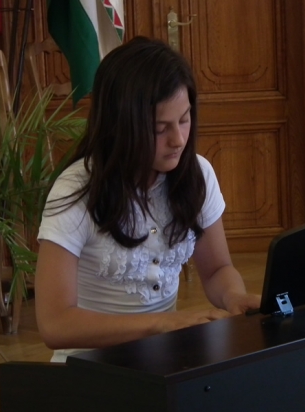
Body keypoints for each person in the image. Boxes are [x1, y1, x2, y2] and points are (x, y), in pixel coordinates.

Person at [35, 36, 261, 362]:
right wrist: (161, 325)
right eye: (160, 128)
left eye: (184, 119)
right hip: (89, 371)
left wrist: (233, 297)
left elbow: (216, 270)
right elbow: (55, 325)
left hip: (160, 363)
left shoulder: (197, 174)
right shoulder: (75, 191)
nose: (178, 139)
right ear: (122, 126)